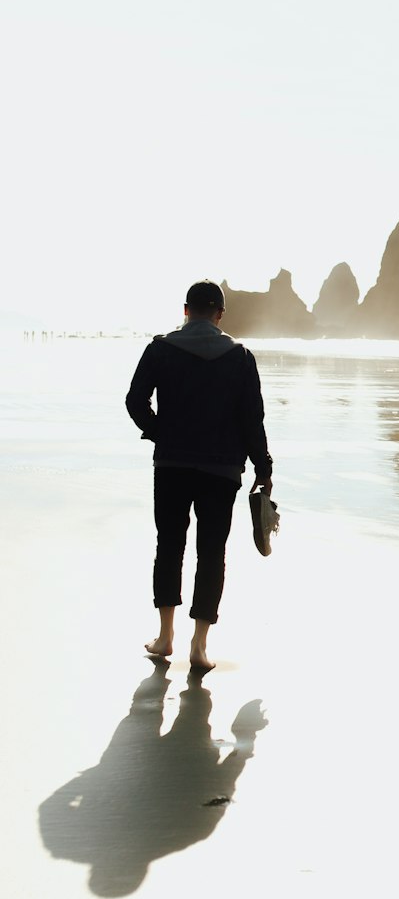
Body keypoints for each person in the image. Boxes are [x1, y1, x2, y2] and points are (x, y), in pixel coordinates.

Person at [126, 280, 273, 671]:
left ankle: (165, 636)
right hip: (222, 470)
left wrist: (160, 431)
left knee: (169, 546)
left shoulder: (160, 349)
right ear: (220, 314)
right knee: (212, 554)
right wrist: (264, 467)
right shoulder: (240, 358)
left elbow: (135, 401)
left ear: (186, 310)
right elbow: (251, 420)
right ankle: (200, 645)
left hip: (172, 465)